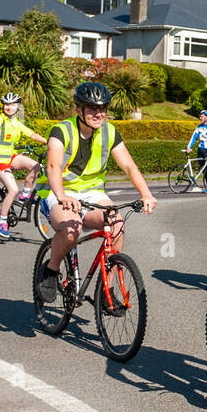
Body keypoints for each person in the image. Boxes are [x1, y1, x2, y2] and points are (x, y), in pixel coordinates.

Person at [35, 82, 157, 303]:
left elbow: (129, 166)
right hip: (58, 191)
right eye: (91, 108)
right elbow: (53, 167)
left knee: (117, 224)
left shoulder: (109, 132)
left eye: (102, 109)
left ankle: (106, 290)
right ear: (78, 110)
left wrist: (146, 194)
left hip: (91, 193)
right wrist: (62, 196)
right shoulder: (61, 131)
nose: (98, 114)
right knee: (72, 230)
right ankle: (51, 270)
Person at [0, 92, 48, 239]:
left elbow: (32, 134)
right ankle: (2, 222)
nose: (9, 107)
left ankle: (26, 194)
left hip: (9, 157)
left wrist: (50, 142)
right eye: (6, 104)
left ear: (17, 106)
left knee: (35, 165)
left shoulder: (15, 123)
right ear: (3, 106)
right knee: (12, 190)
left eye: (12, 104)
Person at [185, 110, 207, 193]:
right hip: (200, 150)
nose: (200, 117)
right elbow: (193, 137)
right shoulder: (199, 127)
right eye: (200, 116)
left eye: (202, 116)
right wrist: (188, 147)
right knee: (204, 170)